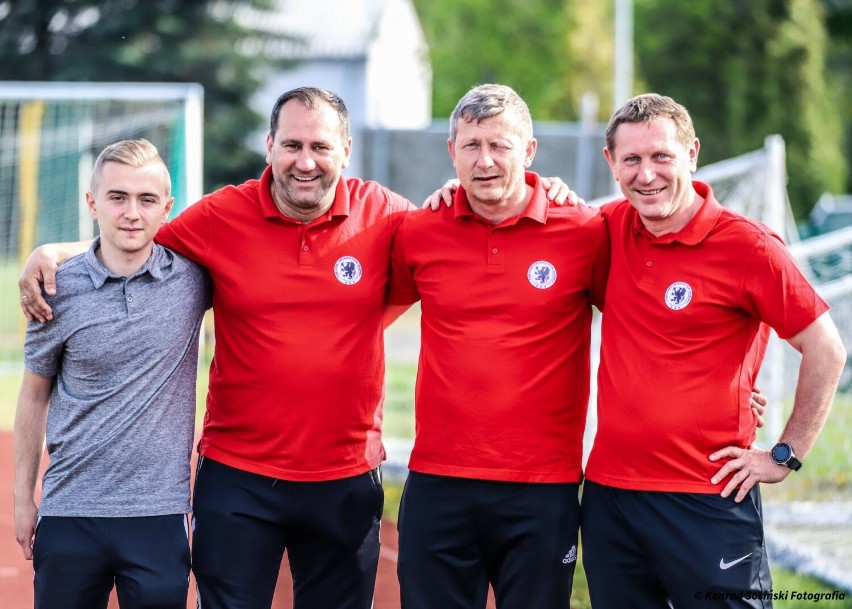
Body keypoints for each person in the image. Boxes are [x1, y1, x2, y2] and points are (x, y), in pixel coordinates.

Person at [17, 86, 575, 609]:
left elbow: (465, 224)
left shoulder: (391, 216)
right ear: (270, 146)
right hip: (238, 478)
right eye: (292, 145)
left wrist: (540, 187)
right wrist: (56, 250)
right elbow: (132, 234)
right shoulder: (220, 216)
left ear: (345, 151)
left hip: (345, 477)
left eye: (320, 146)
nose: (305, 161)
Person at [581, 93, 847, 609]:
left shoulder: (749, 247)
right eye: (631, 159)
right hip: (611, 497)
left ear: (692, 153)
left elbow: (825, 348)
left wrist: (785, 453)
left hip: (709, 497)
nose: (647, 174)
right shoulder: (606, 230)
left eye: (661, 156)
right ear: (611, 163)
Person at [387, 83, 609, 609]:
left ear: (529, 151)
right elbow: (354, 319)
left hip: (541, 486)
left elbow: (650, 320)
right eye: (472, 146)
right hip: (438, 479)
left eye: (501, 145)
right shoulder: (419, 230)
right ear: (452, 152)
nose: (485, 161)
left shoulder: (584, 231)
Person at [13, 139, 210, 608]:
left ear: (167, 208)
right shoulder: (56, 288)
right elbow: (34, 396)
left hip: (158, 517)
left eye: (146, 200)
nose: (132, 213)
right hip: (70, 512)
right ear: (92, 202)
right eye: (117, 197)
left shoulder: (195, 279)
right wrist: (23, 499)